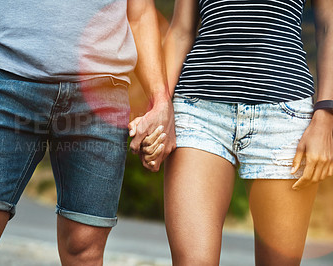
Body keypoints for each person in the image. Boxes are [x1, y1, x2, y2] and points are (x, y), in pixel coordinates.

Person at [0, 0, 175, 265]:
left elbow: (139, 12)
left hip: (101, 94)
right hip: (6, 78)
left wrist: (160, 100)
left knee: (84, 255)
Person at [143, 0, 333, 265]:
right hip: (200, 112)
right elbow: (181, 30)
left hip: (284, 119)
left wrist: (326, 114)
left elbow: (329, 25)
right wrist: (160, 106)